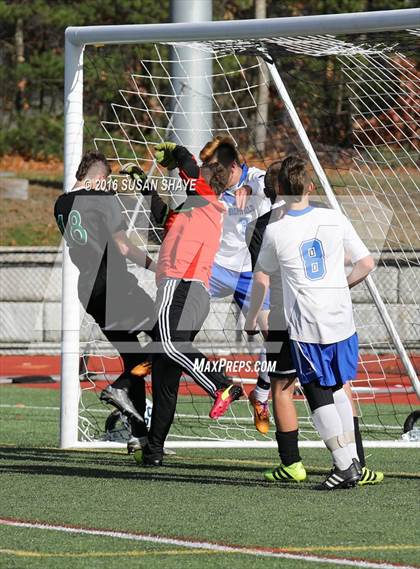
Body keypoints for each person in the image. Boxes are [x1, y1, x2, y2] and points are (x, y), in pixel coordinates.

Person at [246, 159, 384, 486]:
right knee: (337, 385)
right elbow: (366, 263)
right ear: (310, 187)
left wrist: (251, 318)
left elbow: (261, 278)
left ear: (279, 189)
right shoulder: (333, 218)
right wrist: (341, 284)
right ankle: (352, 462)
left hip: (307, 322)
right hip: (342, 319)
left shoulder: (275, 230)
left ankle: (342, 464)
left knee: (315, 390)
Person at [136, 142, 243, 467]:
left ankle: (222, 385)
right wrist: (143, 183)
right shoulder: (193, 210)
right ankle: (153, 452)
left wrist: (177, 150)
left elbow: (187, 165)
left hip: (181, 286)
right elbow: (162, 218)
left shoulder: (207, 199)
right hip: (187, 292)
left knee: (167, 344)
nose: (190, 180)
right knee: (165, 380)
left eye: (200, 176)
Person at [54, 151, 156, 452]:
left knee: (134, 357)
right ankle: (120, 387)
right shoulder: (103, 197)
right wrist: (156, 266)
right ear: (99, 178)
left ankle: (139, 433)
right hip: (115, 285)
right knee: (167, 333)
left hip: (88, 291)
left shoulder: (60, 203)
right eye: (107, 180)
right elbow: (123, 247)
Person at [199, 136, 272, 433]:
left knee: (276, 336)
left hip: (251, 273)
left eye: (220, 170)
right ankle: (220, 385)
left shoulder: (254, 177)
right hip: (215, 268)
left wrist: (247, 188)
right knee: (178, 321)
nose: (216, 176)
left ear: (235, 166)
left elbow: (268, 181)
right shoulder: (212, 182)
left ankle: (261, 395)